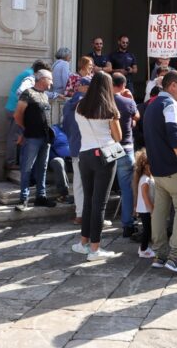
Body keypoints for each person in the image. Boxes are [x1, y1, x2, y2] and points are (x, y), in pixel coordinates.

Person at [142, 71, 177, 275]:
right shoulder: (169, 105)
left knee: (159, 211)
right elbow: (175, 137)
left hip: (159, 170)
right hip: (174, 169)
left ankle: (160, 255)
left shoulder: (152, 105)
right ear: (173, 86)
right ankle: (176, 258)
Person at [71, 71, 122, 260]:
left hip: (85, 154)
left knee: (88, 200)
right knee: (100, 203)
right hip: (105, 154)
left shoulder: (79, 106)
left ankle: (83, 243)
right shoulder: (110, 108)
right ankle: (95, 249)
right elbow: (118, 137)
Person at [13, 69, 57, 210]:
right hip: (32, 137)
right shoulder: (28, 93)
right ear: (42, 79)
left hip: (45, 137)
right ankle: (23, 199)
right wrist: (26, 129)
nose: (52, 82)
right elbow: (17, 115)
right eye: (50, 79)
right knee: (27, 167)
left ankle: (41, 197)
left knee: (42, 168)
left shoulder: (44, 95)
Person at [3, 59, 47, 169]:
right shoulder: (30, 76)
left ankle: (14, 161)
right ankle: (11, 163)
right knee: (14, 137)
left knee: (17, 136)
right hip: (15, 109)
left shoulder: (27, 72)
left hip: (12, 107)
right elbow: (21, 91)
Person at [112, 72, 140, 237]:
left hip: (108, 147)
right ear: (123, 85)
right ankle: (127, 225)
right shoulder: (128, 101)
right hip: (126, 148)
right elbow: (137, 116)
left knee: (102, 188)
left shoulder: (104, 102)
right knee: (127, 190)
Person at [62, 76, 91, 224]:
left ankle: (80, 214)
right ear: (85, 87)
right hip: (90, 147)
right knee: (92, 182)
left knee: (78, 182)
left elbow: (65, 126)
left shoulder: (68, 105)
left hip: (75, 146)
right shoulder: (90, 103)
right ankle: (90, 215)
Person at [133, 149, 155, 258]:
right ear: (146, 166)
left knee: (148, 229)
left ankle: (143, 247)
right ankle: (143, 249)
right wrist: (151, 210)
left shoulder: (146, 178)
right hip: (146, 209)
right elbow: (145, 196)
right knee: (147, 230)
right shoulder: (145, 180)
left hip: (145, 209)